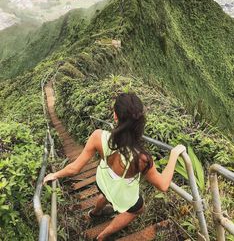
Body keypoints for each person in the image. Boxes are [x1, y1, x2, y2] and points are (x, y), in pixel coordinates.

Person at [44, 92, 186, 240]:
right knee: (137, 209)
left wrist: (55, 174)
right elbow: (163, 185)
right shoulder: (142, 158)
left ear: (115, 116)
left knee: (105, 194)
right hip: (123, 194)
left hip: (103, 181)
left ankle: (95, 213)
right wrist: (174, 154)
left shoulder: (98, 136)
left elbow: (75, 168)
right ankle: (102, 235)